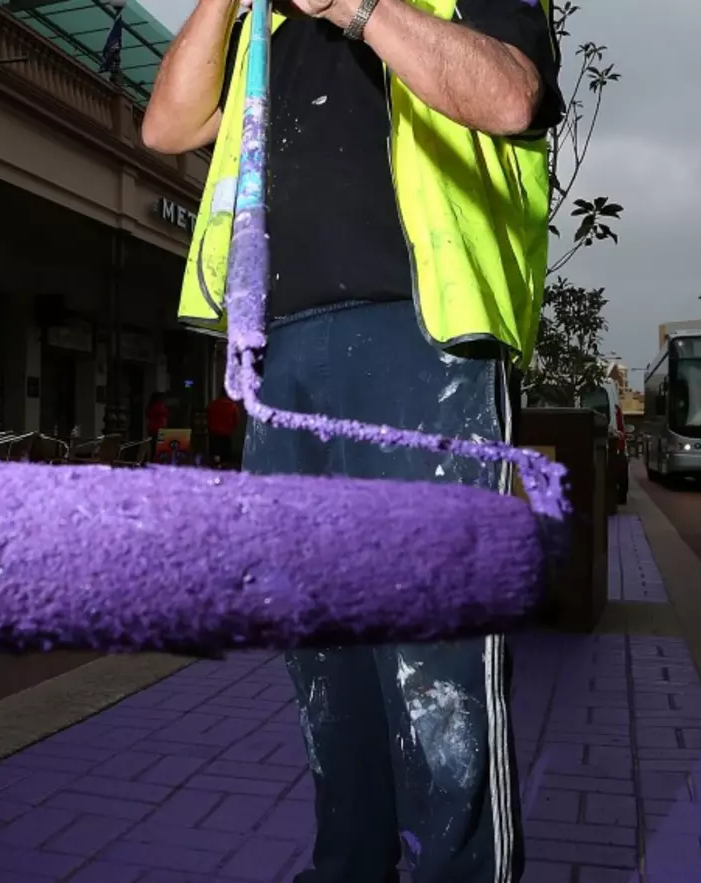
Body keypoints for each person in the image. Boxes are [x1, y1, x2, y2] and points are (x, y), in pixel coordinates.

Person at [144, 1, 562, 881]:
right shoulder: (260, 34)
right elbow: (167, 126)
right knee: (323, 655)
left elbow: (512, 98)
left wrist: (358, 8)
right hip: (284, 355)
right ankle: (350, 865)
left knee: (435, 654)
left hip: (419, 344)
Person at [207, 389, 240, 466]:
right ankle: (224, 465)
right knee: (225, 453)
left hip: (214, 432)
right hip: (226, 433)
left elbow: (209, 417)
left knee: (216, 451)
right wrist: (231, 428)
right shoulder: (232, 406)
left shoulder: (214, 404)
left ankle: (216, 464)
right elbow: (236, 420)